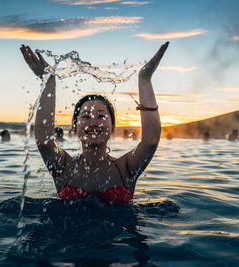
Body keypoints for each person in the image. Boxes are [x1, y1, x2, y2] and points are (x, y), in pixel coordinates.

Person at [20, 42, 168, 205]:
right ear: (75, 127)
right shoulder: (64, 167)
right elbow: (44, 142)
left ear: (113, 127)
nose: (93, 123)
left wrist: (145, 80)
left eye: (101, 116)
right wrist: (49, 82)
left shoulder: (126, 168)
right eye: (86, 116)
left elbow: (150, 141)